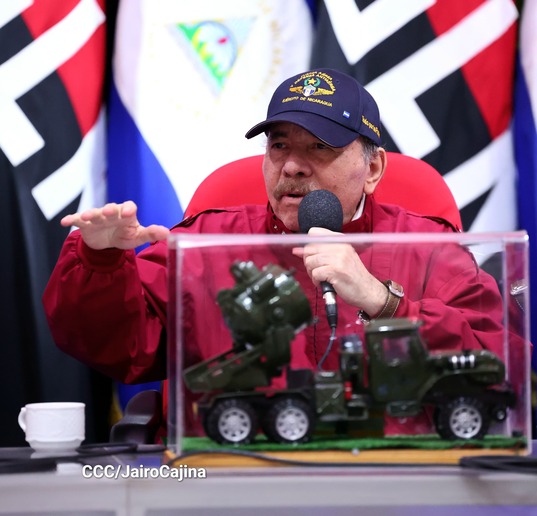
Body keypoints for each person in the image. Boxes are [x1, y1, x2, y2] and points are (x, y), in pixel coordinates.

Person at [43, 68, 506, 436]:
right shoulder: (210, 241)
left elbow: (499, 365)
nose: (292, 166)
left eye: (319, 147)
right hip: (230, 481)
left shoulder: (427, 247)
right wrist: (100, 260)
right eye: (279, 145)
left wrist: (385, 302)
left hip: (398, 483)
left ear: (372, 168)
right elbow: (119, 347)